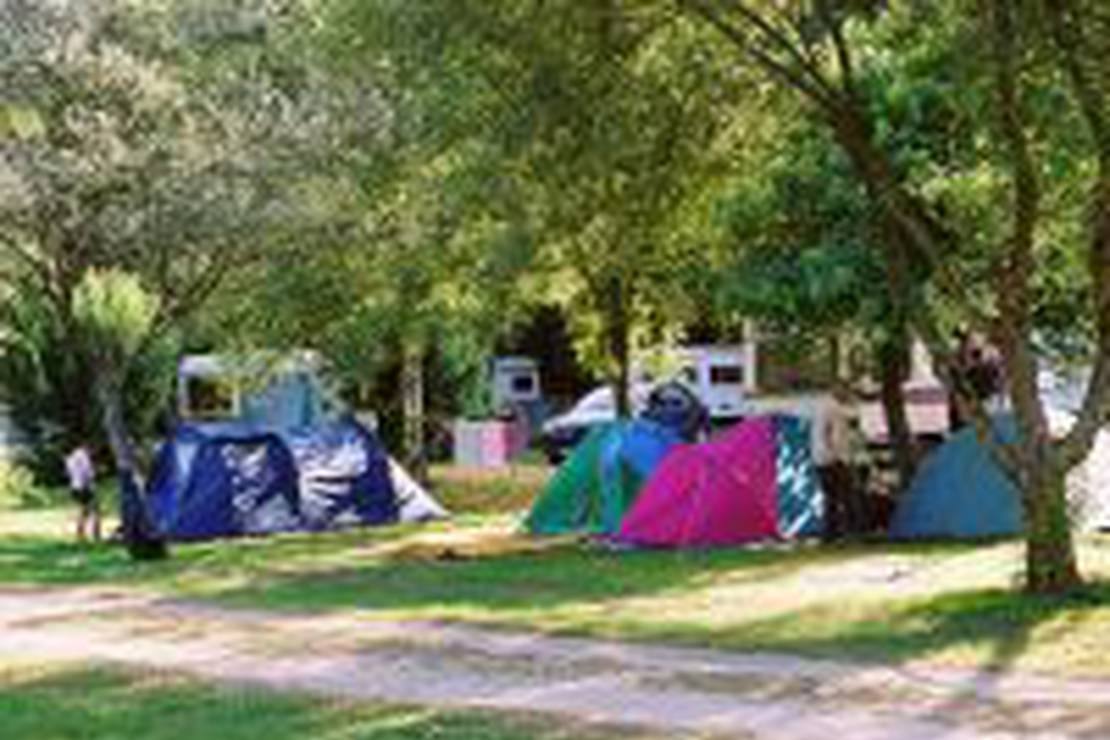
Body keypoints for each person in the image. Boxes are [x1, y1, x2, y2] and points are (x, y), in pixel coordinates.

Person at [65, 443, 100, 542]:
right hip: (85, 487)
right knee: (94, 510)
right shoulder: (84, 457)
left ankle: (81, 533)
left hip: (74, 486)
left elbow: (69, 472)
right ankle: (95, 534)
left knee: (83, 510)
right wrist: (93, 476)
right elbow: (87, 473)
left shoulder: (71, 458)